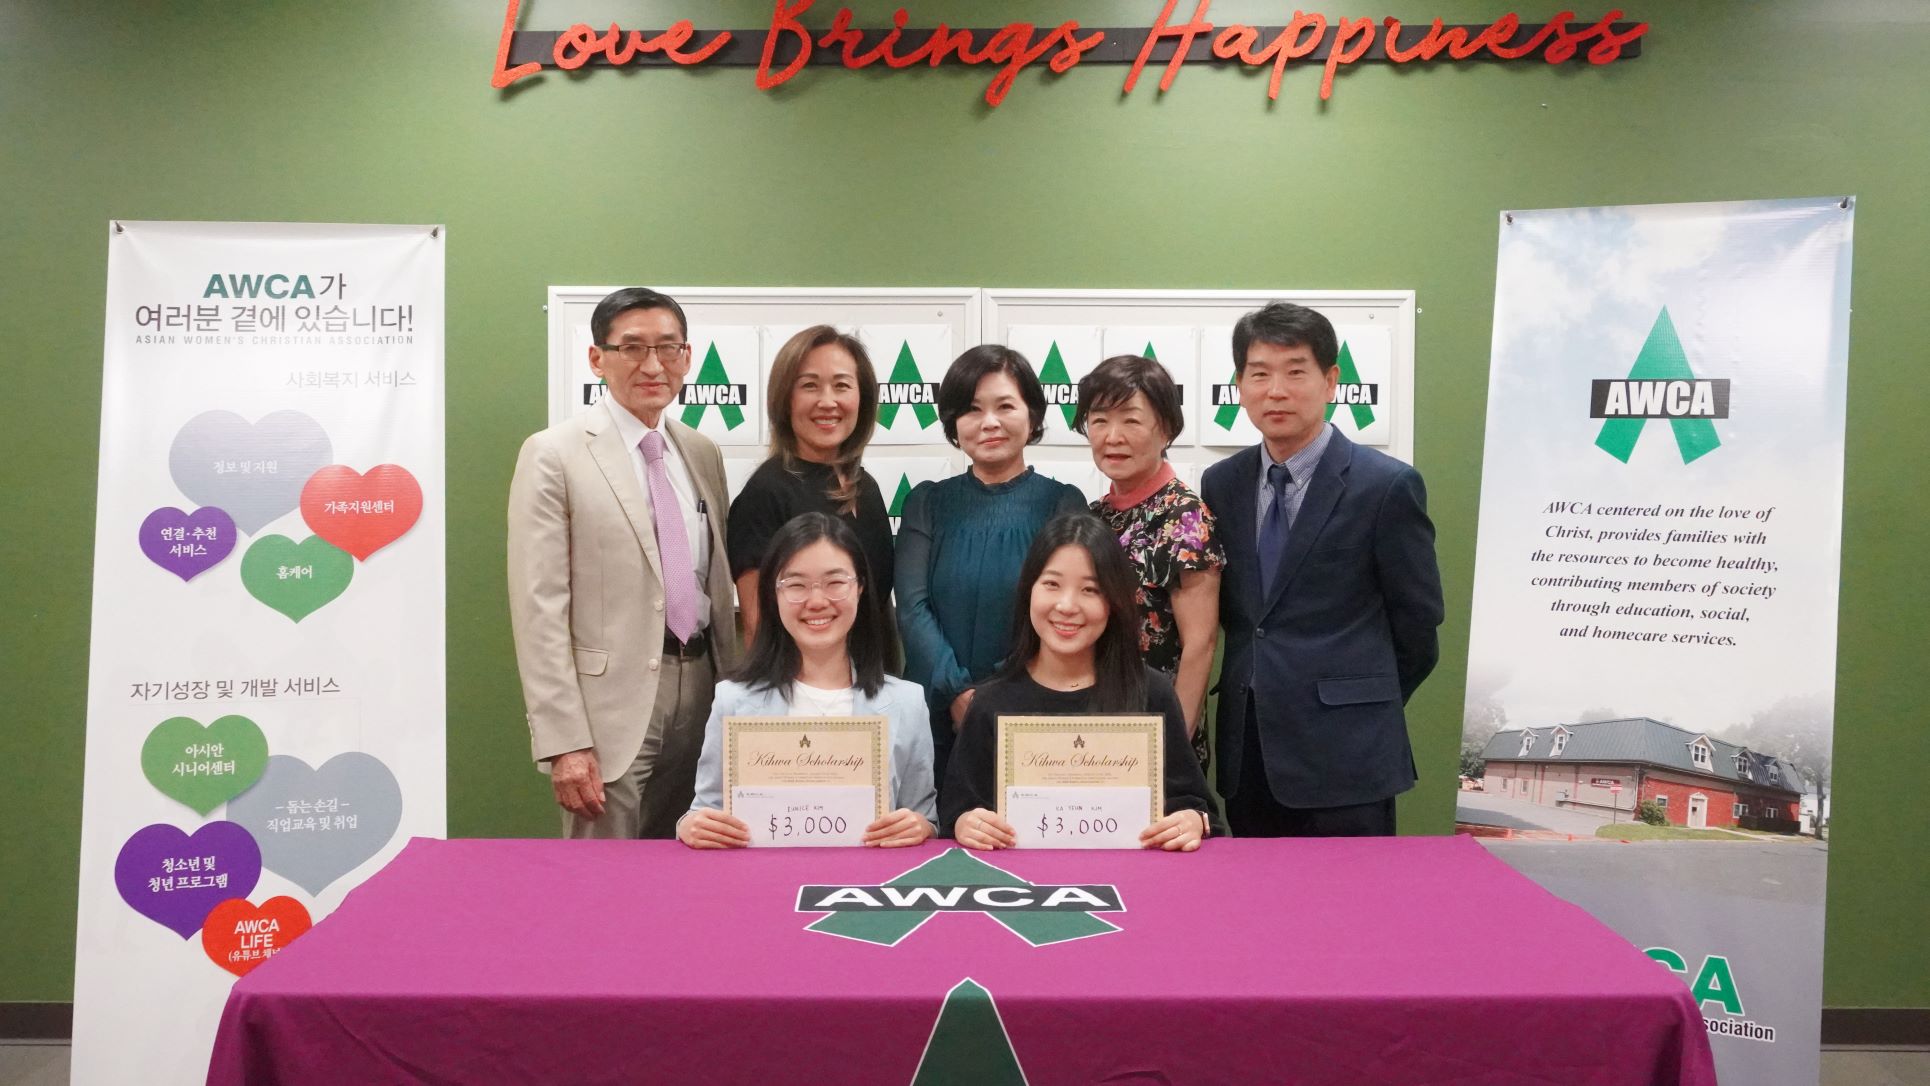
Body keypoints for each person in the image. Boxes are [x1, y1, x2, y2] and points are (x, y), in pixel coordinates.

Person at [1199, 302, 1444, 838]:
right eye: (1259, 374)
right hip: (1251, 755)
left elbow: (1419, 628)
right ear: (1239, 385)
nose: (1276, 391)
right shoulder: (1221, 484)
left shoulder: (1386, 486)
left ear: (1331, 381)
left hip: (1349, 758)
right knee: (1255, 892)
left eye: (1295, 372)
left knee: (1351, 894)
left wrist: (1356, 703)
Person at [507, 287, 742, 839]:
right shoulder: (554, 454)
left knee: (691, 863)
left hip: (704, 688)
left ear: (687, 356)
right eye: (632, 348)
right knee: (605, 876)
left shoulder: (701, 451)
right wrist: (564, 740)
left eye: (668, 348)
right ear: (597, 358)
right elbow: (539, 607)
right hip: (607, 713)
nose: (653, 365)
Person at [940, 513, 1221, 851]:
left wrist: (1192, 820)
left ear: (1113, 602)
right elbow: (955, 812)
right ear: (1028, 590)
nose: (1067, 606)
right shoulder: (991, 702)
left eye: (1090, 589)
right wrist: (965, 824)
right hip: (1022, 882)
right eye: (1052, 584)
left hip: (1130, 878)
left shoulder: (1151, 694)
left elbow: (1197, 808)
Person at [678, 513, 936, 849]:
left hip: (867, 880)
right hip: (760, 877)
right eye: (796, 585)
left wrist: (921, 827)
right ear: (773, 594)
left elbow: (924, 816)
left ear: (859, 587)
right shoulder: (733, 700)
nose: (816, 601)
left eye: (835, 583)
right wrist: (690, 825)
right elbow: (705, 810)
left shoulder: (907, 703)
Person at [895, 345, 1086, 784]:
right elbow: (912, 607)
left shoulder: (1062, 503)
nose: (989, 422)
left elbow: (1062, 610)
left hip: (1032, 706)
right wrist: (957, 691)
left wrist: (994, 695)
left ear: (1032, 415)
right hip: (935, 708)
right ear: (953, 423)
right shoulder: (926, 502)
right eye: (972, 409)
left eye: (1005, 406)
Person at [1074, 355, 1224, 771]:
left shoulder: (1185, 516)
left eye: (1131, 420)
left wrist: (1170, 749)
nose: (1113, 437)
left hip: (1156, 733)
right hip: (1089, 728)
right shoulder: (1095, 516)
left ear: (1166, 429)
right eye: (1099, 420)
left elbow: (1200, 645)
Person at [728, 325, 892, 647]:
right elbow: (759, 631)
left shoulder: (866, 488)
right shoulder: (765, 494)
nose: (828, 401)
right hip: (803, 678)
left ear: (862, 398)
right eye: (809, 386)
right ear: (785, 399)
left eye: (842, 385)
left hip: (869, 674)